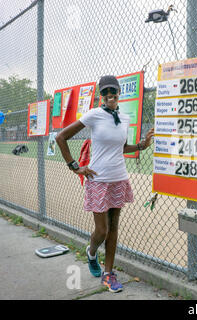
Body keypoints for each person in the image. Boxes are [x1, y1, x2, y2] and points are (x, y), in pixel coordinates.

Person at [56, 75, 154, 293]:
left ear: (119, 93)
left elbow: (121, 147)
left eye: (114, 92)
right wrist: (74, 166)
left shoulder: (124, 117)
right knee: (102, 231)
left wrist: (141, 146)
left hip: (118, 178)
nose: (110, 96)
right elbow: (61, 137)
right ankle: (92, 253)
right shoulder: (94, 115)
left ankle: (108, 274)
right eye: (105, 92)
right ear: (101, 95)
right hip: (98, 180)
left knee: (114, 229)